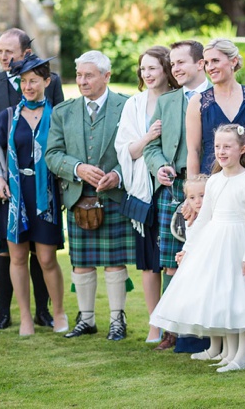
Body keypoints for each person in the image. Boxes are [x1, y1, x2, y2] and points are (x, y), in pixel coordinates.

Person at [150, 124, 245, 373]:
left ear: (242, 149)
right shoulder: (215, 181)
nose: (221, 151)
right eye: (218, 146)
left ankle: (241, 357)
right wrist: (189, 248)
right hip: (216, 243)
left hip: (239, 243)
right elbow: (204, 218)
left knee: (242, 299)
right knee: (224, 299)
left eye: (227, 146)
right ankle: (228, 354)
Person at [46, 51, 133, 341]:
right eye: (79, 75)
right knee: (81, 262)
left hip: (113, 196)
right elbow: (52, 154)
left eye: (89, 75)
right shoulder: (63, 112)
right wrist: (77, 168)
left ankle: (117, 320)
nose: (82, 81)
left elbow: (136, 149)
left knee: (114, 261)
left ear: (106, 76)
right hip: (77, 198)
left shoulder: (126, 106)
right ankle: (86, 319)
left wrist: (118, 175)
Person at [0, 28, 63, 332]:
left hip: (43, 190)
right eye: (0, 52)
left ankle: (50, 313)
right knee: (8, 253)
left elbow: (59, 142)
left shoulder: (54, 101)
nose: (4, 57)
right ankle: (10, 315)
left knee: (44, 255)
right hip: (7, 187)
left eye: (10, 52)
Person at [142, 40, 210, 351]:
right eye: (173, 63)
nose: (175, 68)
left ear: (201, 64)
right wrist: (158, 167)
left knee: (209, 259)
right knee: (172, 262)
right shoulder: (167, 102)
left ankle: (208, 329)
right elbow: (152, 147)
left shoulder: (216, 95)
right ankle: (171, 330)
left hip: (212, 187)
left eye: (182, 62)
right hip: (173, 187)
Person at [115, 46, 178, 343]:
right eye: (143, 69)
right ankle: (155, 325)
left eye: (153, 68)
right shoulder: (134, 105)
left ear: (167, 68)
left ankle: (176, 324)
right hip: (143, 192)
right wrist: (150, 136)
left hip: (171, 188)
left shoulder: (179, 100)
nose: (147, 74)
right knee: (149, 262)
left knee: (172, 261)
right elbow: (127, 150)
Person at [185, 38, 245, 180]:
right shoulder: (198, 102)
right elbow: (193, 150)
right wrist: (194, 189)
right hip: (211, 182)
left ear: (233, 61)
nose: (210, 67)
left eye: (215, 61)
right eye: (206, 63)